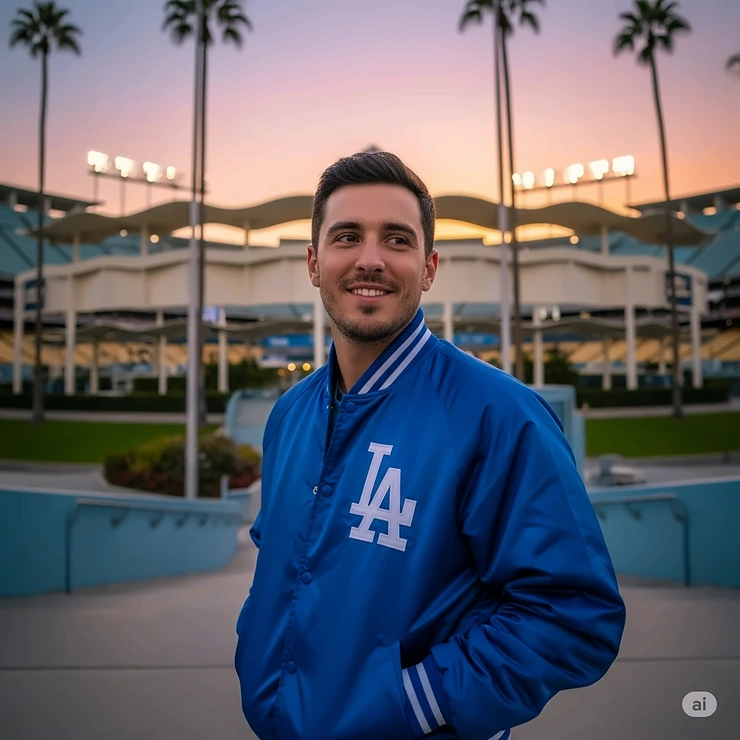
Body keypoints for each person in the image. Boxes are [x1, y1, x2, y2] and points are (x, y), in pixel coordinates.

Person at [234, 151, 626, 740]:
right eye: (347, 237)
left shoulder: (498, 414)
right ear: (315, 263)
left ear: (430, 265)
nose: (370, 259)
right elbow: (281, 566)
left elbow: (574, 612)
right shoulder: (289, 414)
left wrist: (411, 703)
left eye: (396, 239)